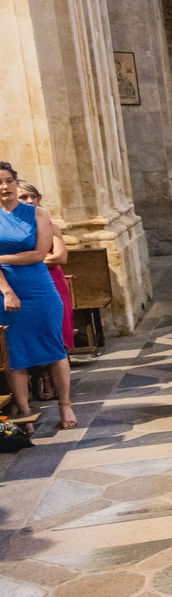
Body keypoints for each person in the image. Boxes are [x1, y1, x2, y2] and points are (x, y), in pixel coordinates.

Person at [0, 164, 72, 432]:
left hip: (39, 287)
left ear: (15, 182)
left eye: (9, 181)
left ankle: (65, 405)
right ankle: (25, 413)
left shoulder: (37, 214)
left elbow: (39, 253)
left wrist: (1, 258)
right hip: (4, 289)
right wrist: (6, 290)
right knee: (13, 352)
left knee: (54, 346)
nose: (5, 187)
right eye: (0, 182)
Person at [16, 182, 74, 352]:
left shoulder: (50, 226)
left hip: (53, 281)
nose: (29, 201)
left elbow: (60, 256)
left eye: (33, 197)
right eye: (24, 197)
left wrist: (24, 260)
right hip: (23, 285)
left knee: (55, 334)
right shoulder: (10, 229)